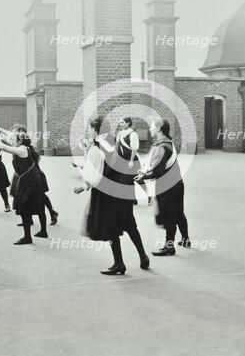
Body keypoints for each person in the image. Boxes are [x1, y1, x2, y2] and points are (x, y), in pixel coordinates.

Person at [74, 117, 149, 275]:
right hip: (122, 186)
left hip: (107, 191)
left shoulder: (97, 147)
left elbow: (94, 173)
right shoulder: (114, 141)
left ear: (96, 129)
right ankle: (143, 256)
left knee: (111, 226)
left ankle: (119, 263)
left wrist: (84, 185)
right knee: (129, 224)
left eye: (90, 128)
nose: (88, 131)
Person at [135, 118, 190, 256]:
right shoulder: (168, 142)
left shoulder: (161, 147)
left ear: (159, 128)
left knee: (170, 217)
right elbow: (160, 167)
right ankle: (185, 239)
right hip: (177, 184)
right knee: (178, 213)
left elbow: (158, 171)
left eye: (152, 127)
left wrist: (143, 177)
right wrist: (146, 173)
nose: (150, 129)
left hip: (168, 187)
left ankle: (169, 247)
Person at [0, 132, 46, 245]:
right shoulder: (26, 148)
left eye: (15, 139)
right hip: (36, 180)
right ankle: (43, 231)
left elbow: (3, 147)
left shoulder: (21, 150)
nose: (13, 141)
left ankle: (27, 237)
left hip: (28, 182)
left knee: (25, 209)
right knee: (40, 207)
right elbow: (7, 144)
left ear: (19, 141)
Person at [115, 117, 150, 206]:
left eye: (122, 122)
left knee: (137, 179)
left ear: (128, 123)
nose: (120, 124)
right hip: (123, 160)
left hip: (132, 160)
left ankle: (149, 195)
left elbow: (134, 149)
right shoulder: (120, 134)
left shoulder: (132, 134)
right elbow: (117, 147)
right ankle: (133, 199)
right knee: (127, 180)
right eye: (120, 122)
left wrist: (131, 161)